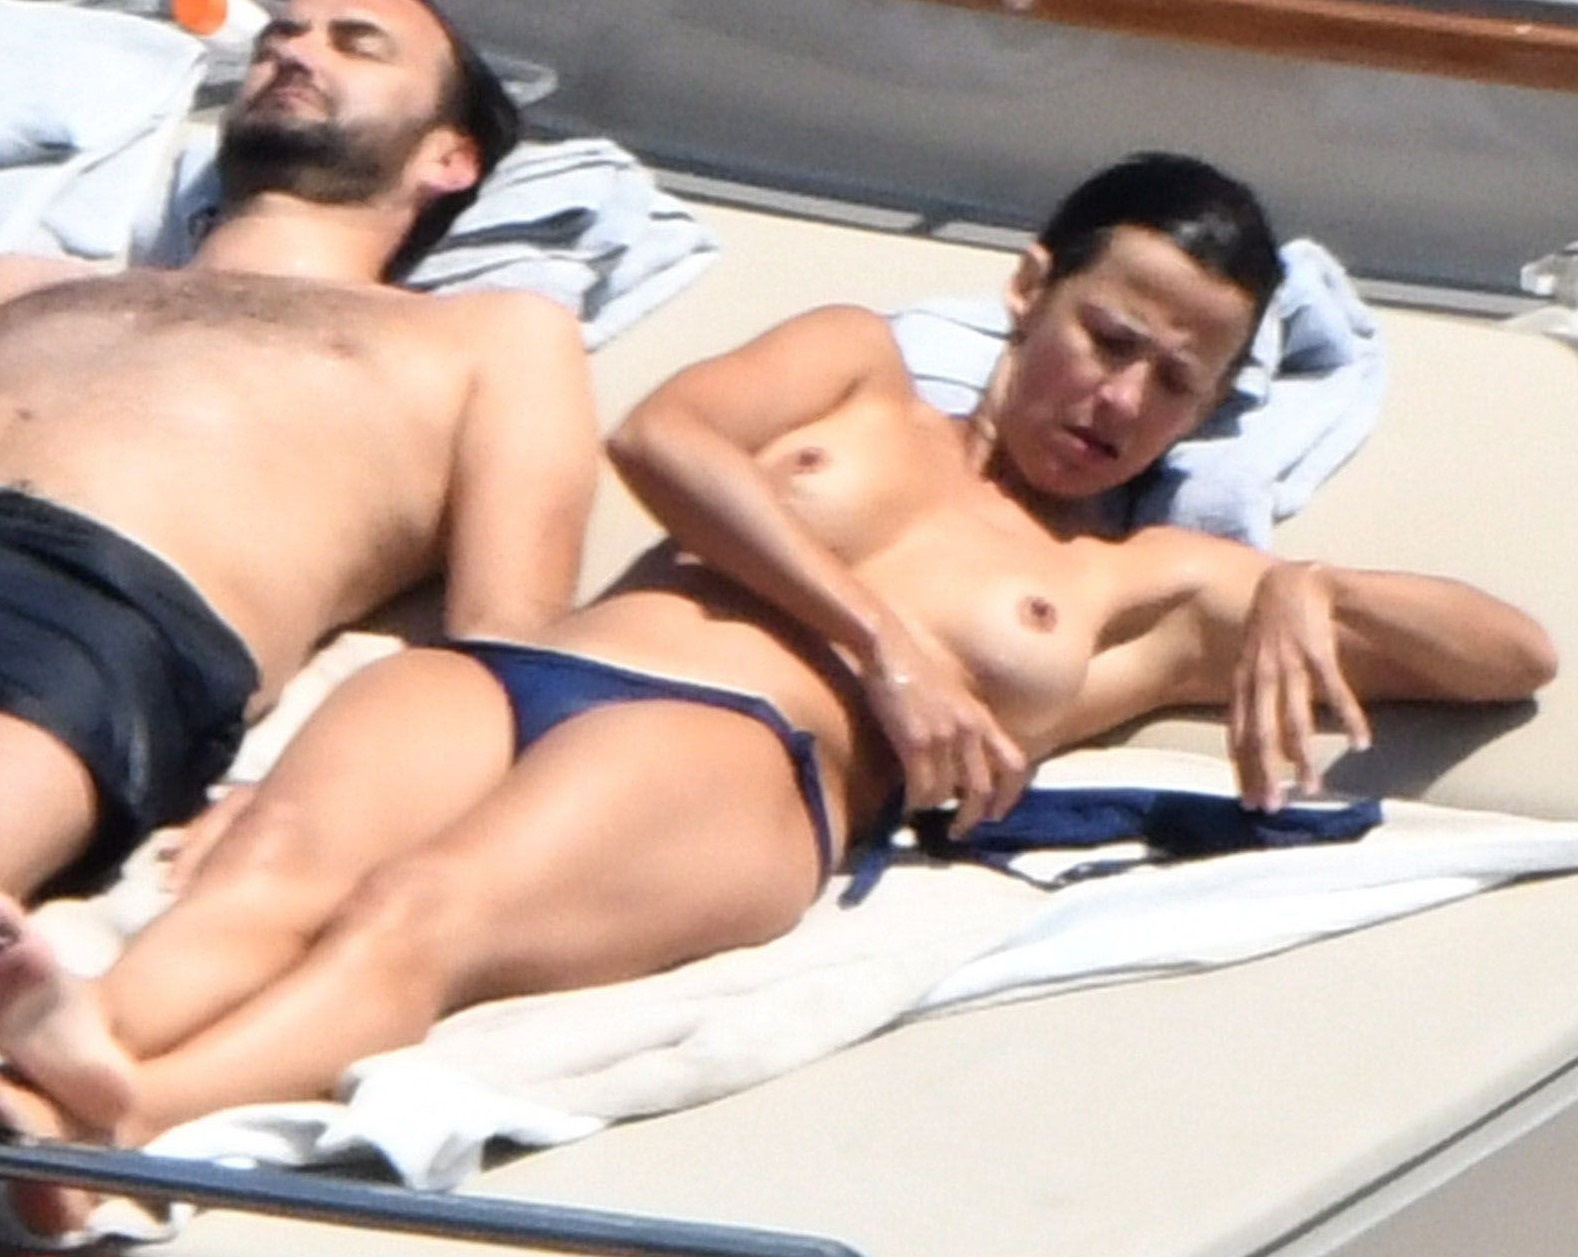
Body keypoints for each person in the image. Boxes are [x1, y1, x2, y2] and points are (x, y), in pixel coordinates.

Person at [0, 153, 1555, 1236]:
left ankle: (117, 1122)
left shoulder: (1137, 579)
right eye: (1108, 338)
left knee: (421, 910)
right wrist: (886, 643)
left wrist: (1300, 584)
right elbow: (665, 438)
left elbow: (1513, 656)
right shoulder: (854, 362)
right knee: (269, 870)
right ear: (1029, 288)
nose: (1121, 399)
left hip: (745, 761)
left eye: (1176, 384)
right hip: (524, 666)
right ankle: (54, 1075)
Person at [0, 0, 600, 900]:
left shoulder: (493, 336)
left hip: (91, 611)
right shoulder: (31, 280)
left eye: (355, 45)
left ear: (449, 157)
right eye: (280, 37)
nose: (294, 51)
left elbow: (507, 641)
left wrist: (315, 801)